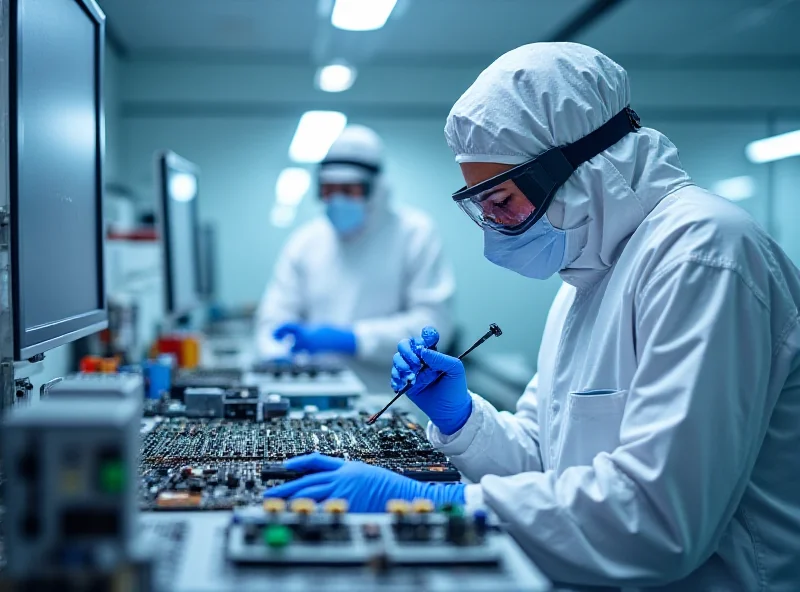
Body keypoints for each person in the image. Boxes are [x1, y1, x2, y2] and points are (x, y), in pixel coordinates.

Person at [265, 43, 800, 589]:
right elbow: (548, 462)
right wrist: (462, 419)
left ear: (578, 169)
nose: (495, 229)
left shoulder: (704, 256)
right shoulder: (586, 278)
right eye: (482, 209)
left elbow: (659, 521)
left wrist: (433, 501)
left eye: (502, 202)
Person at [255, 124, 455, 393]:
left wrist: (355, 339)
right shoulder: (305, 241)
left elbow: (433, 326)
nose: (336, 200)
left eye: (349, 190)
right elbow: (274, 315)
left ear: (376, 189)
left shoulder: (415, 234)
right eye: (328, 190)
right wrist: (276, 352)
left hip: (390, 397)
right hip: (313, 392)